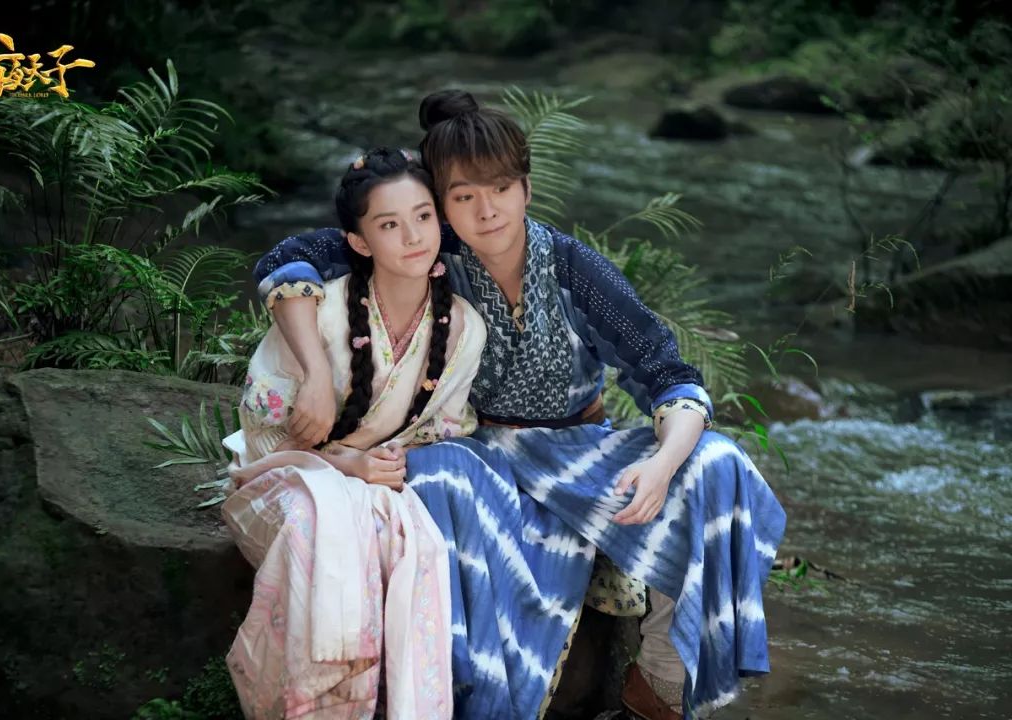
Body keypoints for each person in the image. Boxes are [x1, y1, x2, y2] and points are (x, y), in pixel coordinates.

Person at [252, 91, 787, 720]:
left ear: (526, 189)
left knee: (716, 460)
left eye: (501, 188)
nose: (486, 210)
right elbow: (287, 259)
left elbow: (670, 376)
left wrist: (662, 466)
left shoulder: (573, 269)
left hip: (578, 448)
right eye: (463, 196)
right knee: (439, 478)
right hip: (478, 447)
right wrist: (316, 374)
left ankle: (661, 682)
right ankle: (465, 691)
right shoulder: (431, 248)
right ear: (442, 205)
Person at [220, 146, 487, 719]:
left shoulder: (464, 329)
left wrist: (380, 467)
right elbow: (262, 439)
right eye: (389, 225)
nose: (413, 236)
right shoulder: (320, 314)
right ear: (359, 243)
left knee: (409, 542)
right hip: (282, 482)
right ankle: (315, 706)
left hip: (372, 488)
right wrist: (344, 466)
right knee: (317, 527)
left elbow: (439, 434)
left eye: (423, 216)